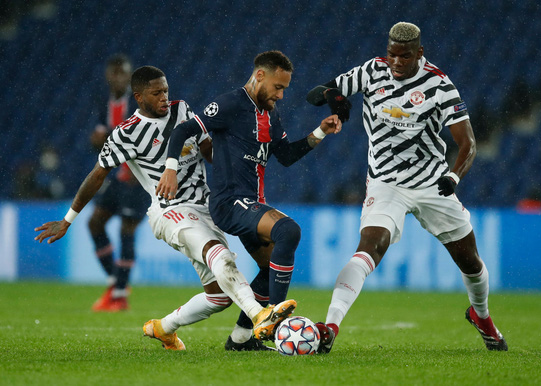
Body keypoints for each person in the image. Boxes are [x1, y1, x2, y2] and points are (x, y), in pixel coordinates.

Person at [34, 65, 297, 351]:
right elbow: (98, 174)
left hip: (209, 206)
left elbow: (209, 150)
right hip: (171, 211)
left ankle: (163, 328)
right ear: (139, 96)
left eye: (166, 91)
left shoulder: (182, 110)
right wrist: (68, 219)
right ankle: (259, 315)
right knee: (220, 255)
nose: (163, 97)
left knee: (219, 297)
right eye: (156, 93)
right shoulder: (126, 133)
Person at [306, 22, 508, 353]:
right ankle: (329, 328)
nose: (396, 62)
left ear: (420, 53)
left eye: (405, 56)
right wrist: (334, 97)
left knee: (469, 261)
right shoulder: (372, 70)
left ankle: (481, 316)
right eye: (392, 55)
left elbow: (467, 142)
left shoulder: (440, 86)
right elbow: (316, 93)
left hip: (432, 183)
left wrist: (453, 176)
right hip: (385, 182)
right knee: (371, 245)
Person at [157, 50, 342, 344]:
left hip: (250, 202)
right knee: (288, 230)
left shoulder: (271, 115)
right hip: (229, 202)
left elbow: (287, 156)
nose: (280, 95)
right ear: (259, 76)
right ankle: (276, 319)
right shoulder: (229, 104)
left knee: (270, 269)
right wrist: (170, 169)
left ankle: (242, 339)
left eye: (284, 89)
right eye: (277, 87)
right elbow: (183, 130)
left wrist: (320, 131)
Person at [88, 54, 150, 312]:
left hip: (141, 177)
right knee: (95, 223)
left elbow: (150, 137)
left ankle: (119, 296)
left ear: (130, 77)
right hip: (120, 177)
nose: (118, 78)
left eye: (123, 73)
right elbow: (101, 142)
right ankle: (116, 282)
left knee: (127, 230)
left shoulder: (141, 104)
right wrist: (98, 138)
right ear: (108, 76)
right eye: (114, 73)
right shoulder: (104, 102)